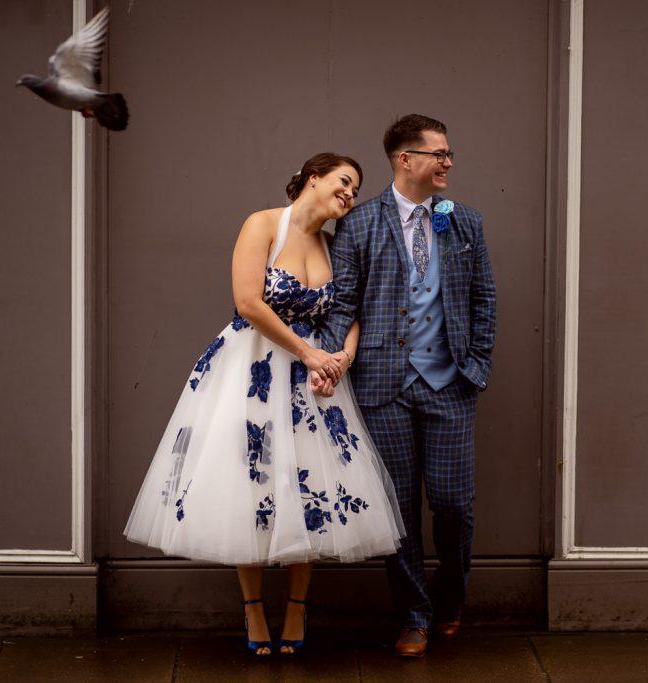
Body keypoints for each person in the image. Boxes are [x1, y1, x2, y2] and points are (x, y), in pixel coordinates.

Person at [123, 153, 404, 658]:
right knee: (248, 485)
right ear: (313, 177)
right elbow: (249, 301)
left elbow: (351, 310)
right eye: (344, 181)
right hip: (249, 373)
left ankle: (296, 607)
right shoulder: (262, 224)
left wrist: (340, 357)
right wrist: (309, 352)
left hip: (312, 381)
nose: (351, 194)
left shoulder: (335, 245)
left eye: (357, 190)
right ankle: (253, 609)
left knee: (309, 484)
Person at [320, 114, 497, 658]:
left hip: (449, 384)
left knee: (453, 506)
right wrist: (324, 361)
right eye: (438, 153)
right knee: (396, 511)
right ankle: (414, 617)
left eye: (448, 154)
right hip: (383, 385)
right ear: (406, 159)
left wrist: (476, 366)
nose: (448, 162)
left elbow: (485, 299)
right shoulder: (361, 223)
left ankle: (450, 599)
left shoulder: (464, 222)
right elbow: (345, 300)